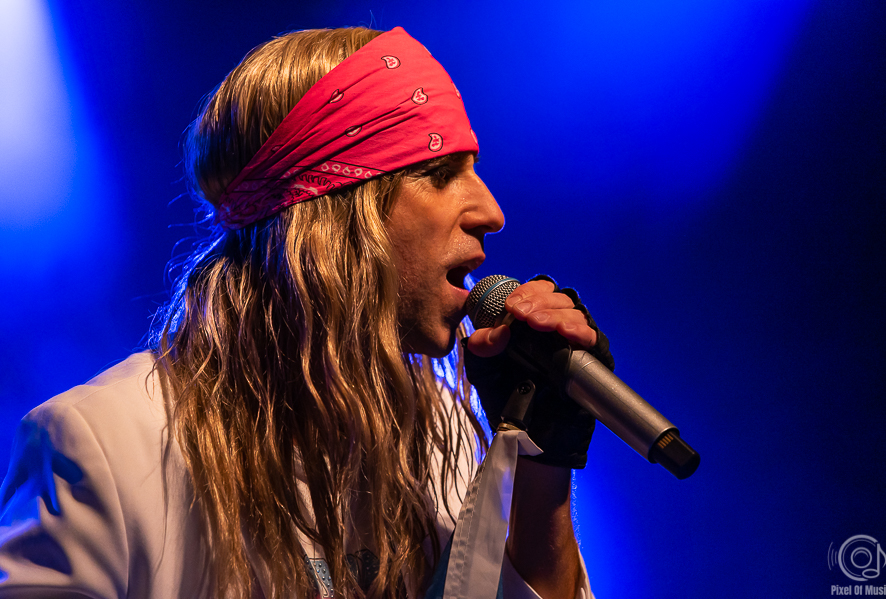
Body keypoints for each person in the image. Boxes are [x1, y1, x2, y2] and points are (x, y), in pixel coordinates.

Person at [0, 26, 613, 599]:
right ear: (334, 213)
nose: (491, 211)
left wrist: (543, 471)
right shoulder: (102, 445)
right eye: (438, 173)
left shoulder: (444, 441)